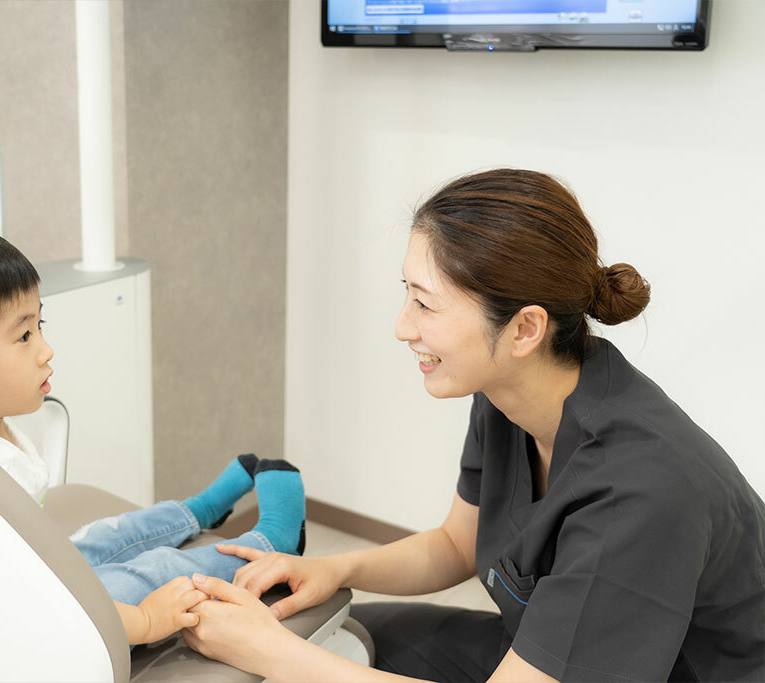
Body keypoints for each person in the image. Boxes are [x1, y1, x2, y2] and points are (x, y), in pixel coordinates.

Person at [181, 169, 765, 682]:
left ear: (525, 329)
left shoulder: (639, 491)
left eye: (426, 305)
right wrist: (334, 567)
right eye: (406, 295)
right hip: (539, 653)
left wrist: (273, 652)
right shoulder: (506, 395)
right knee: (345, 634)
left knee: (295, 659)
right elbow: (457, 544)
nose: (402, 327)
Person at [0, 222, 306, 647]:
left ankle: (197, 511)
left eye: (39, 326)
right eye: (22, 336)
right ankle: (268, 544)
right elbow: (31, 612)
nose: (45, 348)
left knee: (103, 536)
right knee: (154, 569)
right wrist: (146, 620)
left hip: (35, 573)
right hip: (30, 621)